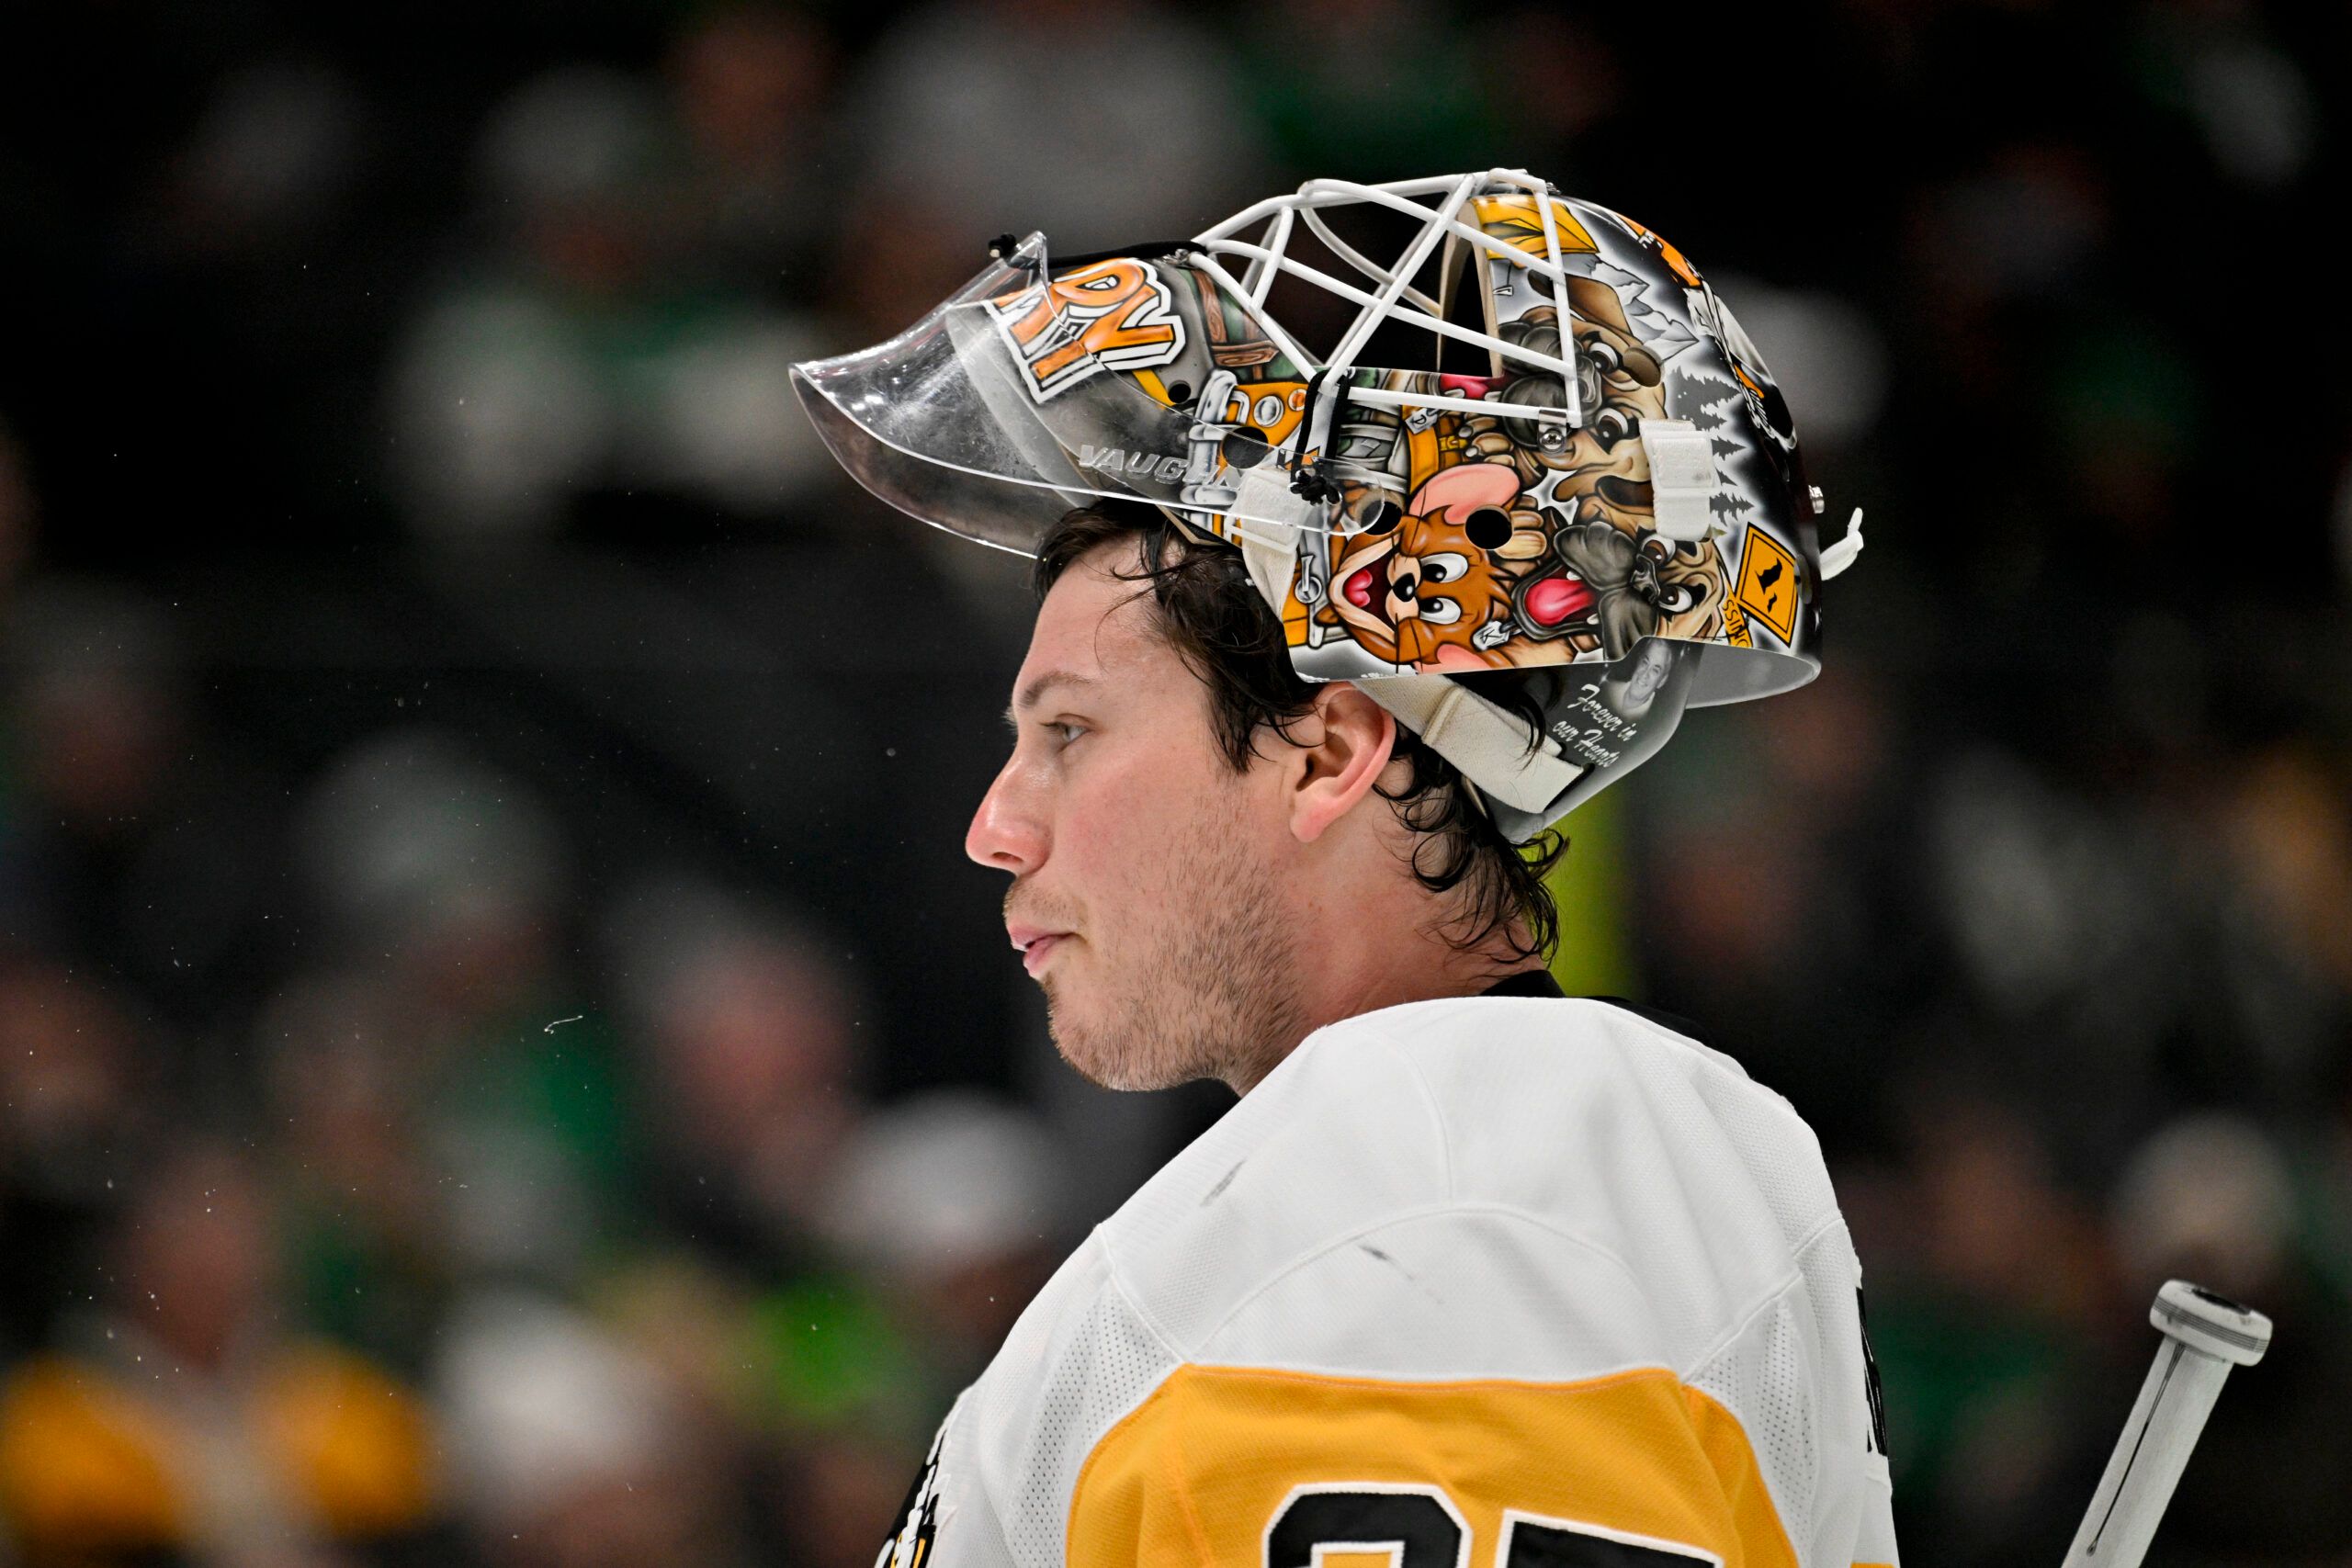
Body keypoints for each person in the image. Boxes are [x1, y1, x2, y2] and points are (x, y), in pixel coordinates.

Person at [794, 172, 1893, 1568]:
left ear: (1330, 755)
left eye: (1070, 730)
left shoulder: (1422, 1207)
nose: (996, 827)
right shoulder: (1560, 1172)